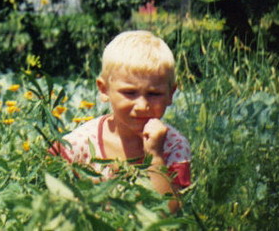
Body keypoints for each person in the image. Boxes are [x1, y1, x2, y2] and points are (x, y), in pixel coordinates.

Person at [50, 30, 191, 213]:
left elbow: (169, 213)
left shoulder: (174, 146)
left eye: (154, 94)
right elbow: (44, 181)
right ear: (104, 90)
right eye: (129, 93)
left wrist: (155, 157)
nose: (142, 106)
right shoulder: (80, 143)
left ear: (170, 94)